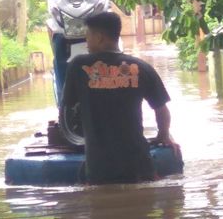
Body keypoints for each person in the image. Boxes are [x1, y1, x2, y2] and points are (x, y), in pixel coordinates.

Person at [61, 11, 178, 184]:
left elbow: (67, 109)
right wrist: (163, 135)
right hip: (139, 166)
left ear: (99, 37)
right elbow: (161, 109)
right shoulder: (141, 67)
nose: (87, 43)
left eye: (88, 37)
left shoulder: (78, 66)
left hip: (99, 168)